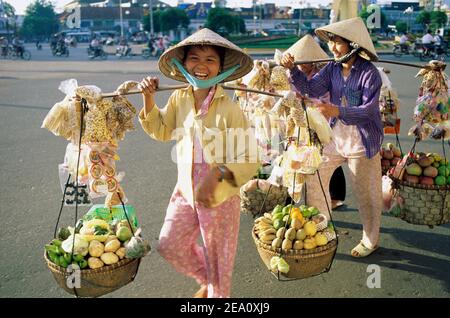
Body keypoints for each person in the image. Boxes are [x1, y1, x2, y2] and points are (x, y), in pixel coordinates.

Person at [137, 28, 259, 298]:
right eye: (194, 58)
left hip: (220, 197)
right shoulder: (179, 98)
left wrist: (219, 178)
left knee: (219, 260)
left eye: (210, 60)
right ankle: (209, 279)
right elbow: (161, 130)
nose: (201, 66)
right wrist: (148, 98)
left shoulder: (230, 108)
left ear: (221, 67)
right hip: (185, 190)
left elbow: (251, 159)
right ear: (183, 63)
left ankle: (217, 290)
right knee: (169, 245)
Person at [281, 17, 383, 258]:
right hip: (334, 139)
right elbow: (311, 89)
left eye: (338, 43)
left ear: (354, 45)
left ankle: (371, 240)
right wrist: (292, 70)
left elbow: (369, 111)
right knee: (314, 182)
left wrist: (337, 110)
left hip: (362, 142)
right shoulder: (331, 68)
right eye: (332, 43)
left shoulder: (370, 74)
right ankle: (321, 229)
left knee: (367, 195)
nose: (333, 48)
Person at [284, 34, 347, 211]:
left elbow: (324, 97)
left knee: (324, 156)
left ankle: (335, 195)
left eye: (306, 61)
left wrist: (306, 99)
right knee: (294, 156)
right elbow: (286, 91)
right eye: (299, 61)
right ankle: (289, 200)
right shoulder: (289, 74)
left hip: (319, 121)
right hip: (297, 120)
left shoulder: (323, 73)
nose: (302, 65)